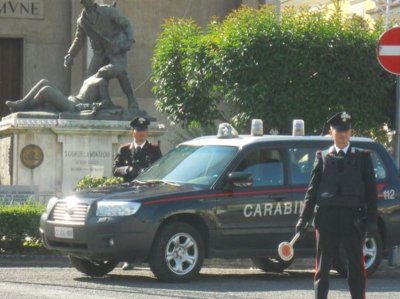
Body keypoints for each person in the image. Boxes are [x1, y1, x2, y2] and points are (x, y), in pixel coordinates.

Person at [295, 111, 377, 299]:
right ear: (331, 132)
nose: (343, 134)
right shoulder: (322, 157)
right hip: (327, 220)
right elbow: (312, 191)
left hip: (352, 219)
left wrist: (372, 220)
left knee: (356, 269)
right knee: (322, 270)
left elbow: (372, 193)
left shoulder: (363, 157)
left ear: (350, 132)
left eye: (346, 130)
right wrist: (303, 218)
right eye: (339, 130)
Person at [64, 0, 138, 112]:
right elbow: (78, 40)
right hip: (99, 53)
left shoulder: (108, 11)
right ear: (82, 2)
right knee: (90, 80)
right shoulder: (82, 21)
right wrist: (70, 54)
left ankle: (132, 101)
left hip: (116, 49)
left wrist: (130, 40)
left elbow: (125, 23)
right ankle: (98, 104)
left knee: (120, 72)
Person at [113, 116, 162, 270]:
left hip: (147, 193)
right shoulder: (124, 149)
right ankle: (129, 258)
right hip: (129, 193)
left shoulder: (154, 150)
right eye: (139, 130)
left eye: (144, 130)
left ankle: (148, 256)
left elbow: (161, 170)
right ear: (132, 132)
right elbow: (115, 170)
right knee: (128, 225)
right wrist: (127, 169)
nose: (142, 133)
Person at [5, 64, 120, 114]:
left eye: (109, 70)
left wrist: (92, 106)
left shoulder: (102, 82)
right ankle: (22, 103)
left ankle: (26, 108)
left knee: (46, 91)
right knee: (44, 81)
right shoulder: (90, 78)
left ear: (109, 75)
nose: (105, 68)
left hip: (73, 107)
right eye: (107, 66)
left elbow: (106, 101)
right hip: (70, 100)